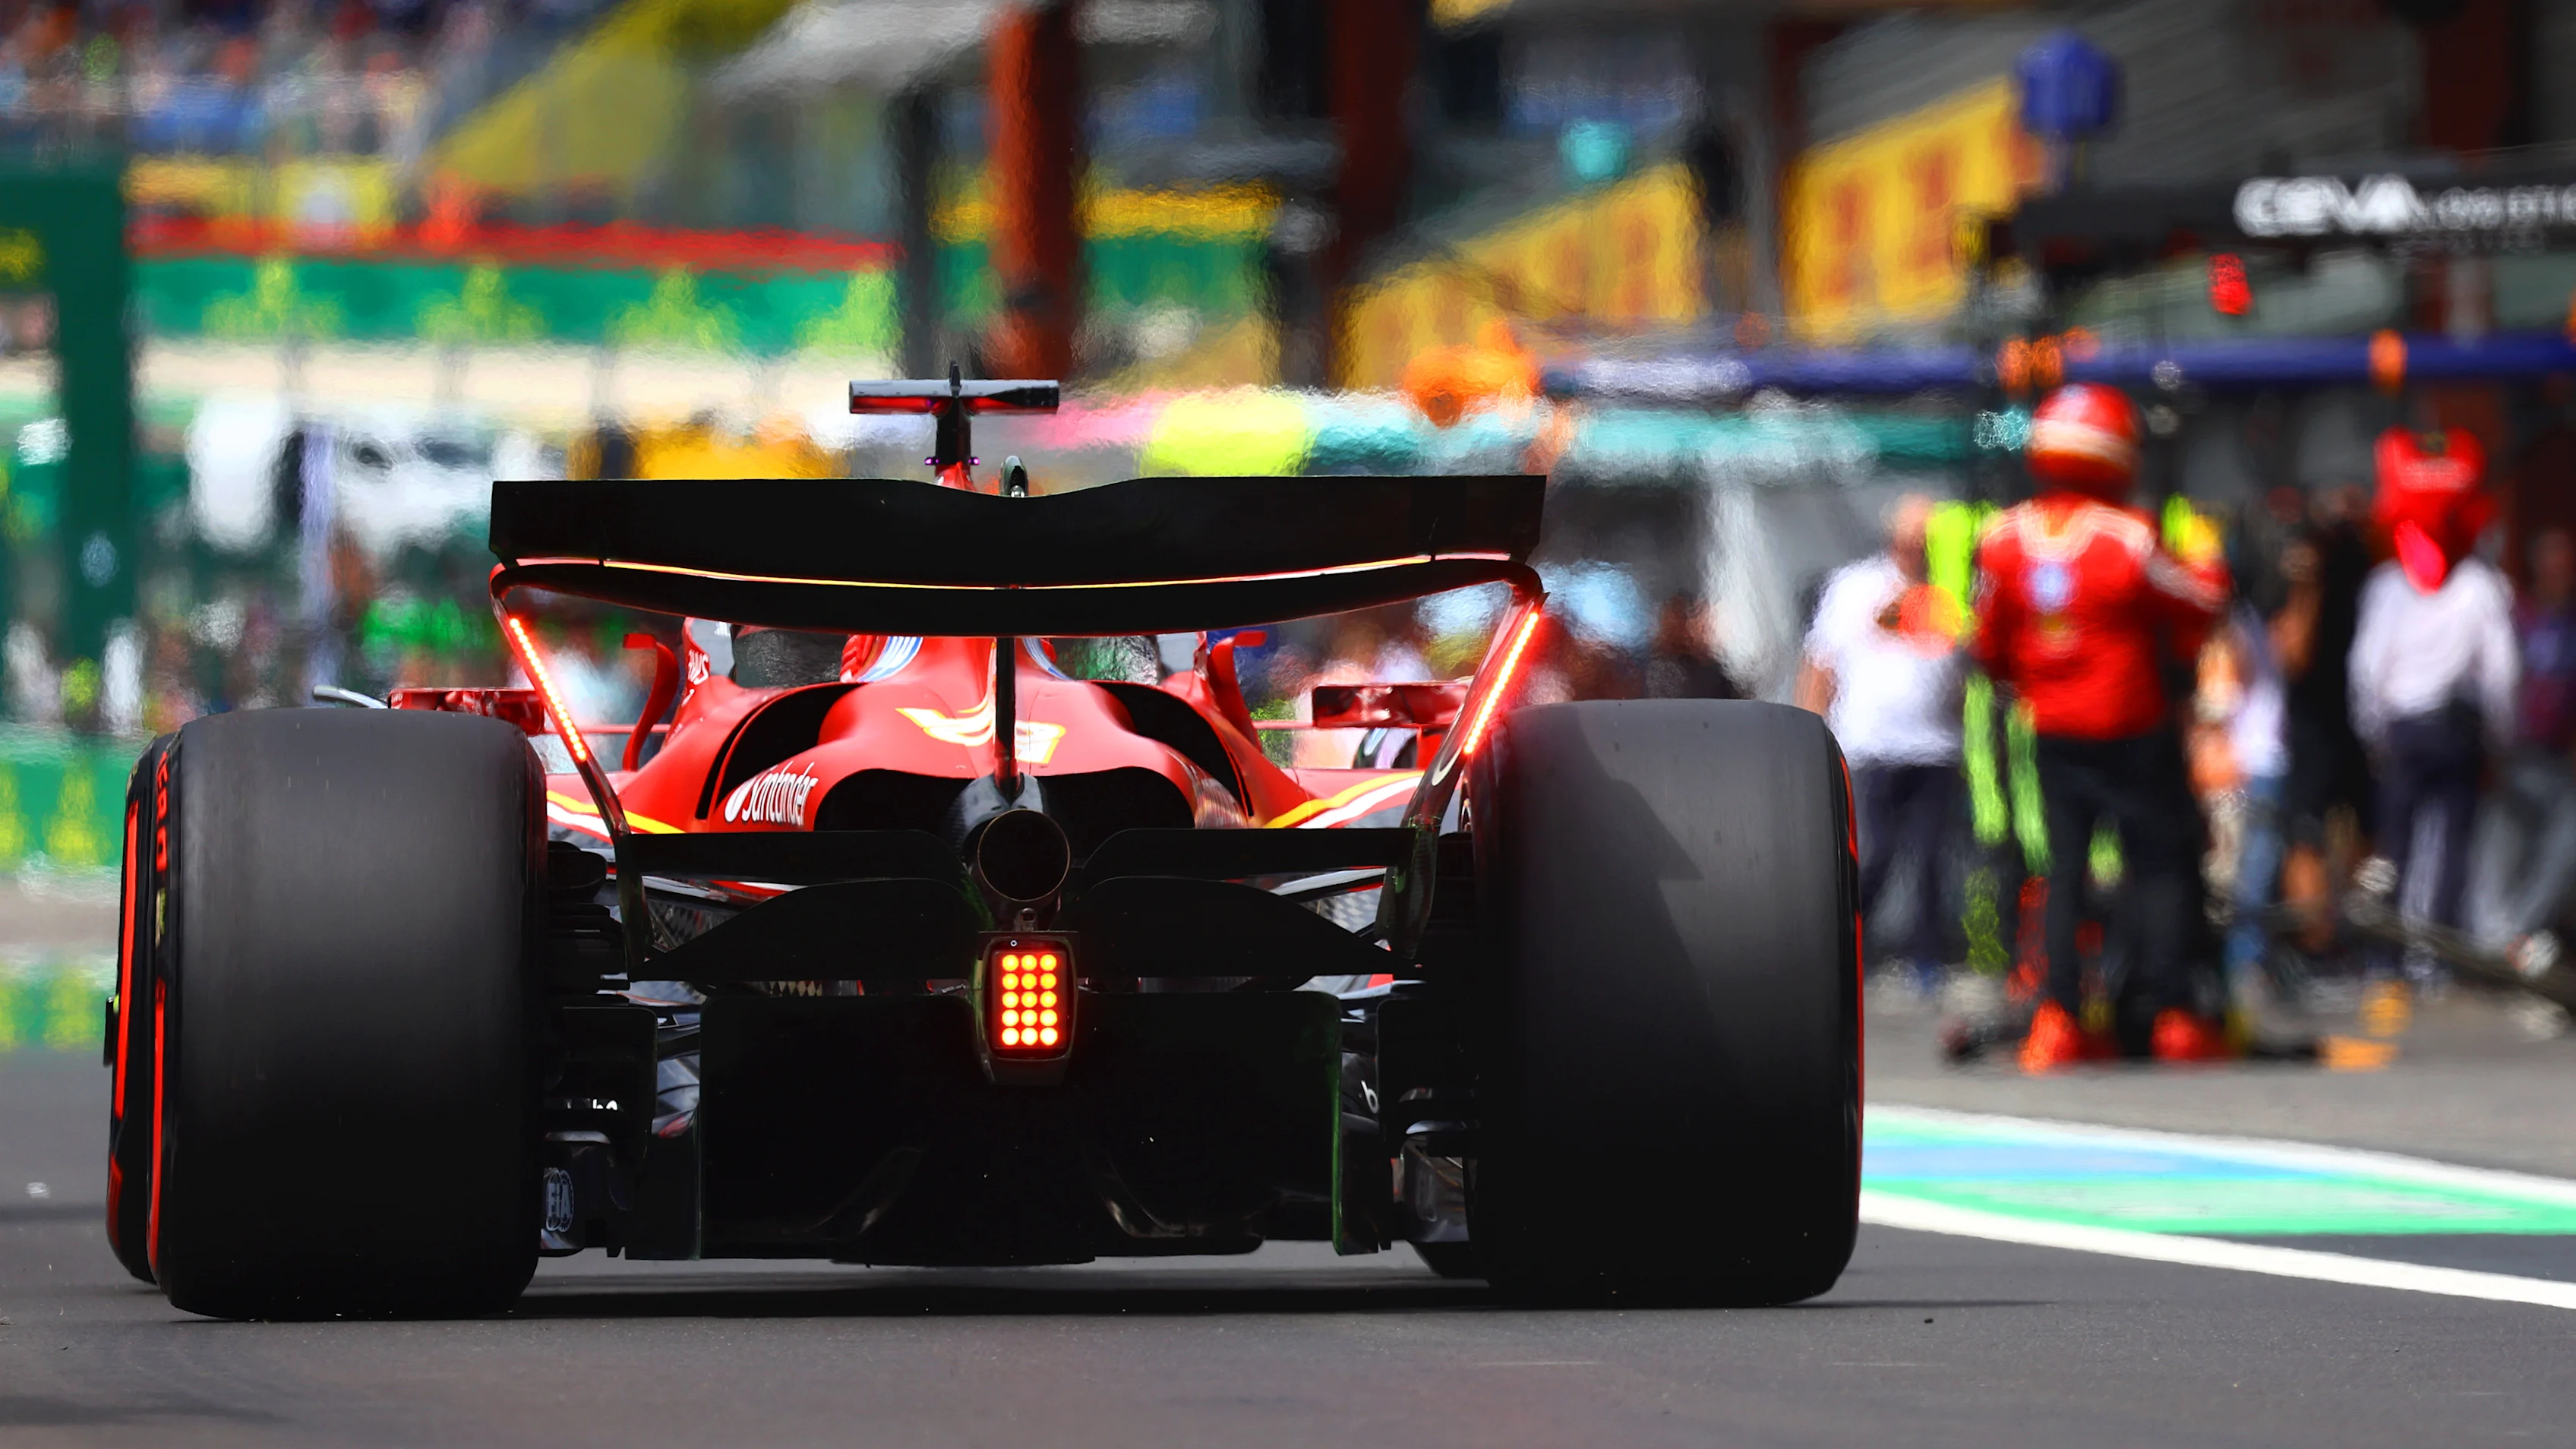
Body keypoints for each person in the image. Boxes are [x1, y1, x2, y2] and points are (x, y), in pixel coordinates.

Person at [1971, 384, 2231, 1071]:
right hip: (2132, 727)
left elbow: (1988, 645)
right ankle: (2170, 1013)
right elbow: (2202, 597)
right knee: (2161, 866)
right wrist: (2206, 561)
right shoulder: (2127, 537)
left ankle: (2057, 1016)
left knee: (2064, 869)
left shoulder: (2002, 540)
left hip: (2052, 728)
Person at [2349, 427, 2517, 979]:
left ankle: (2385, 957)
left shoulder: (2387, 586)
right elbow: (2502, 674)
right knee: (2450, 847)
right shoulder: (2480, 587)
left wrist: (2373, 732)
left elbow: (2367, 671)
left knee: (2393, 847)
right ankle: (2436, 962)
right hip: (2456, 730)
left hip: (2402, 727)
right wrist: (2501, 736)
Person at [1800, 494, 1965, 993]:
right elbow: (1819, 664)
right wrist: (1809, 735)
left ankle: (1926, 959)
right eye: (1914, 537)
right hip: (1872, 744)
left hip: (1936, 746)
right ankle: (1845, 948)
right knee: (1872, 854)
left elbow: (1966, 667)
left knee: (1932, 857)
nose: (1920, 547)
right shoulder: (1855, 587)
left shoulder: (1952, 589)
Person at [2469, 528, 2576, 949]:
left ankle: (2523, 932)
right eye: (2552, 564)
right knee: (2499, 848)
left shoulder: (2571, 624)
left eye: (2566, 565)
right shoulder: (2518, 618)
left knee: (2563, 845)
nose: (2560, 573)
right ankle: (2489, 941)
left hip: (2557, 758)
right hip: (2512, 752)